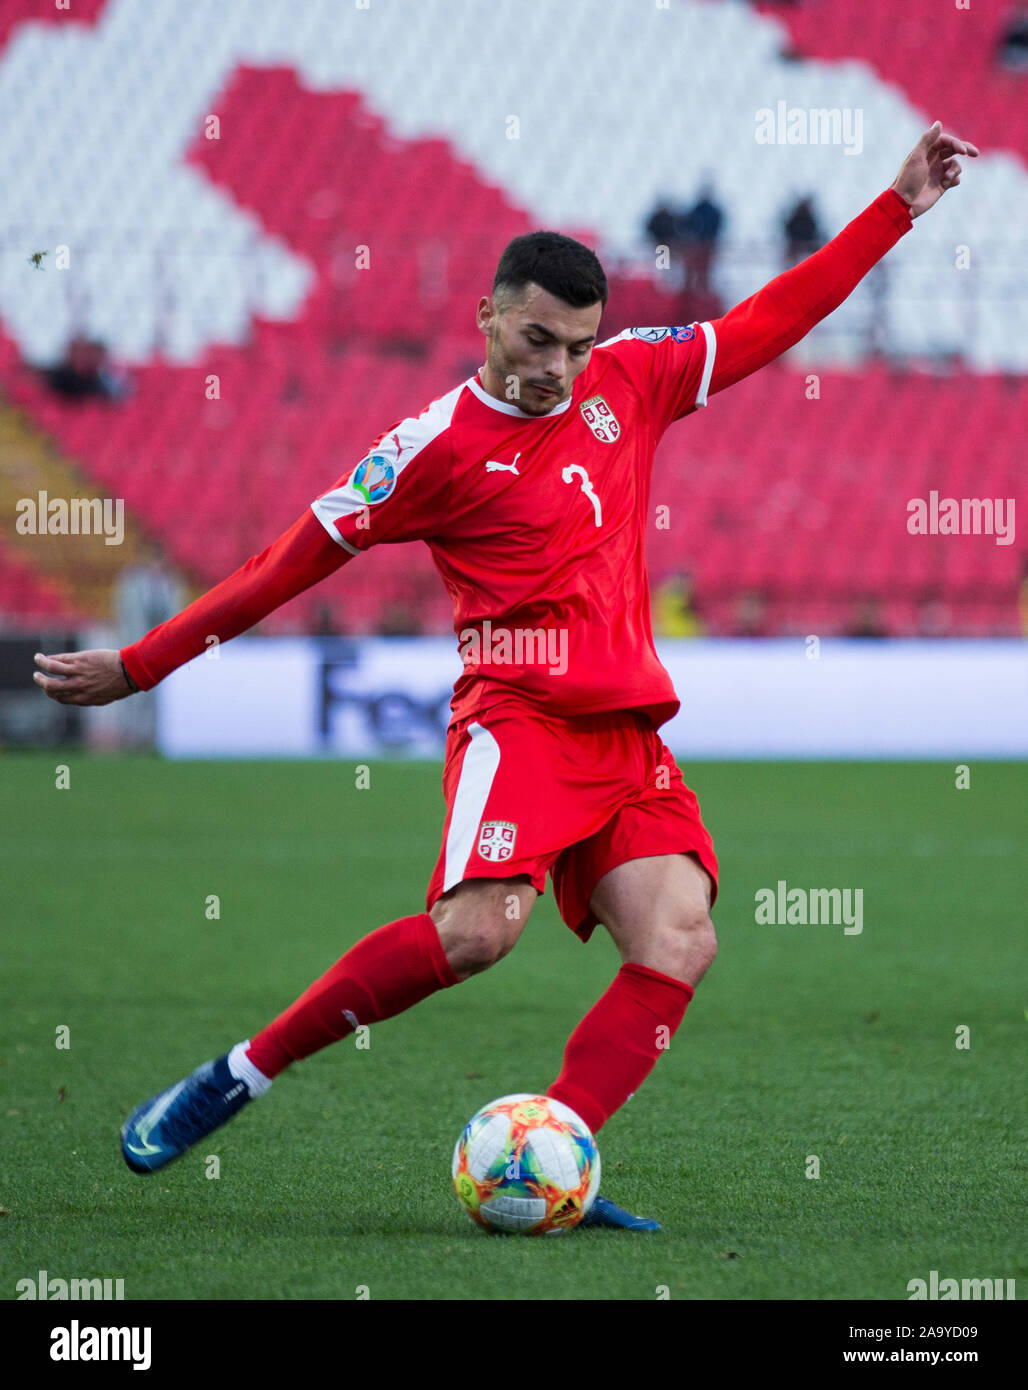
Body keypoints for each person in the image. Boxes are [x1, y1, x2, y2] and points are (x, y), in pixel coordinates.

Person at [34, 123, 976, 1232]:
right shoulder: (427, 450)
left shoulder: (630, 378)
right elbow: (279, 563)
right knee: (479, 931)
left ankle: (555, 1155)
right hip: (517, 717)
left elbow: (769, 320)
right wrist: (143, 663)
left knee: (679, 937)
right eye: (537, 338)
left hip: (622, 729)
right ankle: (239, 1071)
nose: (558, 367)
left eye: (577, 344)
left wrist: (895, 205)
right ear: (488, 317)